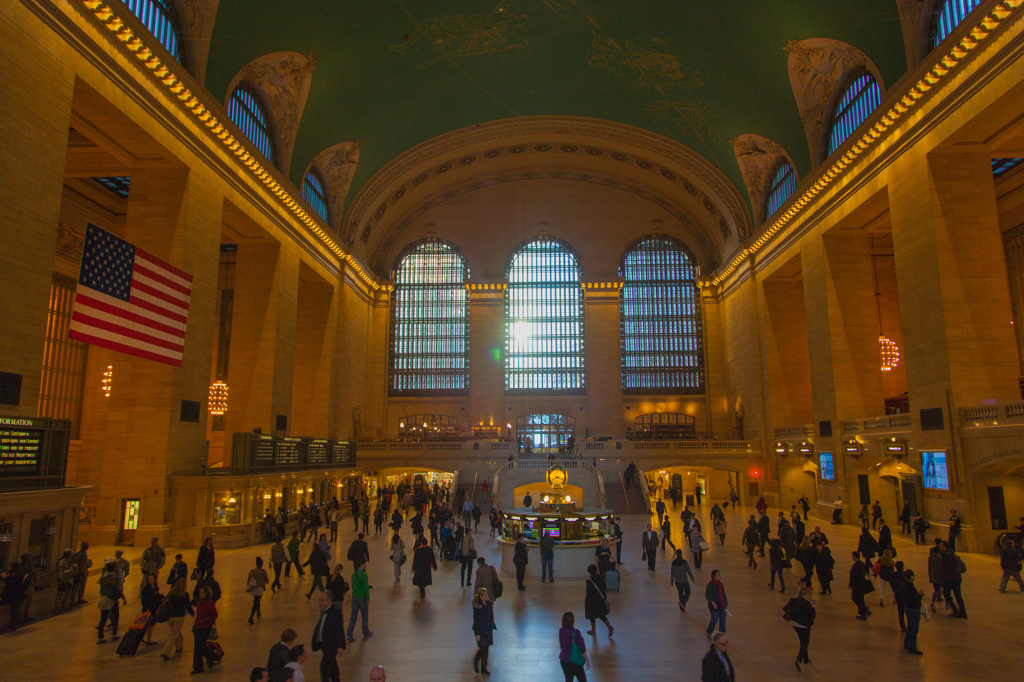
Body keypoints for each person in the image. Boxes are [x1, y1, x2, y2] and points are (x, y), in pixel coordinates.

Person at [312, 590, 345, 682]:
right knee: (333, 670)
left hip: (331, 645)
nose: (320, 603)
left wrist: (340, 646)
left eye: (322, 600)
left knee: (324, 669)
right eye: (319, 600)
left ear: (328, 601)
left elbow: (339, 629)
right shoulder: (324, 610)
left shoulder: (335, 612)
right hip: (325, 645)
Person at [160, 577, 193, 661]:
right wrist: (192, 614)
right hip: (179, 617)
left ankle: (179, 646)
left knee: (176, 631)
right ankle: (165, 652)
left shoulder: (171, 593)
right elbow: (188, 605)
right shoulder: (185, 595)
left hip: (169, 617)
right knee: (174, 634)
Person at [784, 587, 816, 670]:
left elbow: (784, 608)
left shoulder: (793, 600)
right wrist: (813, 607)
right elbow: (812, 616)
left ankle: (806, 659)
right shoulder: (807, 604)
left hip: (795, 624)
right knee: (805, 643)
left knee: (803, 641)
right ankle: (798, 660)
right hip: (804, 625)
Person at [191, 584, 218, 674]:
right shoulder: (198, 602)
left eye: (202, 592)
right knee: (197, 647)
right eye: (200, 592)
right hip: (198, 627)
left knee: (200, 645)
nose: (200, 594)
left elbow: (215, 615)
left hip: (206, 627)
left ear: (206, 593)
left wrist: (205, 620)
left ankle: (210, 656)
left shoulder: (209, 603)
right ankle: (197, 667)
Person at [899, 569, 924, 655]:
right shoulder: (909, 586)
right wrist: (920, 595)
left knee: (909, 626)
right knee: (914, 629)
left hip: (907, 608)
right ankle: (912, 647)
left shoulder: (903, 585)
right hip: (913, 609)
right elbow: (914, 599)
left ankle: (906, 643)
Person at [96, 557, 121, 643]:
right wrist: (122, 597)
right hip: (111, 599)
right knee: (115, 616)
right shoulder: (115, 577)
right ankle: (114, 634)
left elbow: (100, 582)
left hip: (103, 598)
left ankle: (100, 636)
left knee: (103, 618)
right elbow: (117, 589)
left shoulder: (104, 576)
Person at [558, 612, 589, 682]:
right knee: (582, 679)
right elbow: (582, 648)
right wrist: (587, 659)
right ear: (573, 621)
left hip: (564, 660)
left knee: (568, 679)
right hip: (575, 661)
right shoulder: (576, 632)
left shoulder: (561, 631)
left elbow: (561, 645)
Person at [346, 560, 372, 642]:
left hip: (355, 597)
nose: (366, 565)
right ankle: (365, 632)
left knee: (353, 617)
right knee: (364, 616)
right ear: (361, 565)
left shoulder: (353, 575)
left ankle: (349, 634)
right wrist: (367, 599)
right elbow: (365, 588)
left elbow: (353, 586)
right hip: (362, 598)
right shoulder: (364, 575)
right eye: (364, 564)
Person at [471, 587, 496, 675]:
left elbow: (491, 615)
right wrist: (476, 633)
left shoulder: (488, 603)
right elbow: (476, 621)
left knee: (486, 648)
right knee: (483, 648)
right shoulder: (477, 607)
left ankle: (483, 667)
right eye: (485, 594)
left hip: (488, 629)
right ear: (481, 596)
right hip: (481, 630)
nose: (487, 596)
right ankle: (476, 661)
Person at [584, 564, 613, 636]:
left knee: (591, 616)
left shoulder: (589, 581)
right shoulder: (600, 577)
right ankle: (609, 627)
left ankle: (593, 630)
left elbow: (589, 593)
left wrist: (586, 602)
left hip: (593, 602)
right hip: (601, 600)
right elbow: (604, 587)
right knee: (601, 615)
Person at [941, 540, 967, 618]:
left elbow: (948, 568)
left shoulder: (947, 555)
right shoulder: (952, 553)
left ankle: (955, 610)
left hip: (951, 578)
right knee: (958, 595)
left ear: (944, 546)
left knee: (945, 593)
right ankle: (962, 613)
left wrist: (943, 575)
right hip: (957, 577)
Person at [140, 572, 163, 645]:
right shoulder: (146, 589)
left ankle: (146, 638)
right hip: (148, 609)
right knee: (149, 625)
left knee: (150, 624)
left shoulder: (155, 588)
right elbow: (144, 600)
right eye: (149, 579)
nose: (151, 580)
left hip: (153, 609)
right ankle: (148, 639)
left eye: (152, 578)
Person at [704, 570, 728, 638]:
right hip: (714, 606)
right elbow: (707, 595)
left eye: (719, 574)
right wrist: (713, 602)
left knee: (723, 621)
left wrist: (726, 603)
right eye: (717, 575)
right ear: (714, 576)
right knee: (714, 620)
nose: (719, 576)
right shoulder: (710, 585)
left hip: (721, 605)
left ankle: (722, 635)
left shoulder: (720, 584)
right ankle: (709, 631)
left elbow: (723, 595)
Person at [849, 552, 872, 620]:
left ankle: (865, 610)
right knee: (861, 599)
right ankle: (862, 614)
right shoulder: (861, 563)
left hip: (857, 585)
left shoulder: (856, 565)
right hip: (862, 584)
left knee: (855, 598)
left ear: (854, 557)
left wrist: (851, 584)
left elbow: (854, 576)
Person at [247, 556, 270, 624]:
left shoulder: (252, 571)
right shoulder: (263, 571)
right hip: (260, 589)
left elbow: (249, 580)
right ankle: (251, 616)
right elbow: (267, 581)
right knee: (256, 602)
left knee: (257, 600)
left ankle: (258, 612)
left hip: (253, 588)